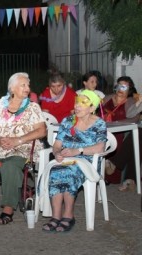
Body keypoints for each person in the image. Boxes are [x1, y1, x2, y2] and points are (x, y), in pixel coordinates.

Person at [0, 72, 46, 225]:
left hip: (22, 147)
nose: (27, 88)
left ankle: (8, 209)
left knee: (10, 167)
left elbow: (42, 131)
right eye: (23, 85)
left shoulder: (33, 107)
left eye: (28, 85)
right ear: (12, 88)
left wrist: (17, 140)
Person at [41, 90, 107, 232]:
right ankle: (56, 216)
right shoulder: (68, 121)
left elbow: (100, 147)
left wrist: (78, 151)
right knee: (55, 171)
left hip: (88, 161)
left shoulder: (99, 124)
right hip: (67, 158)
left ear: (91, 108)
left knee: (69, 172)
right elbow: (57, 144)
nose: (77, 106)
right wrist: (57, 153)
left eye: (82, 104)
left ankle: (68, 215)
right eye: (77, 102)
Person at [101, 76, 140, 184]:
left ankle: (113, 165)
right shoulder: (107, 98)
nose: (120, 89)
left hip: (121, 133)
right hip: (104, 132)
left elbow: (134, 119)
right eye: (119, 85)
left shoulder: (131, 101)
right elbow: (96, 112)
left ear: (129, 89)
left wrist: (116, 123)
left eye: (124, 87)